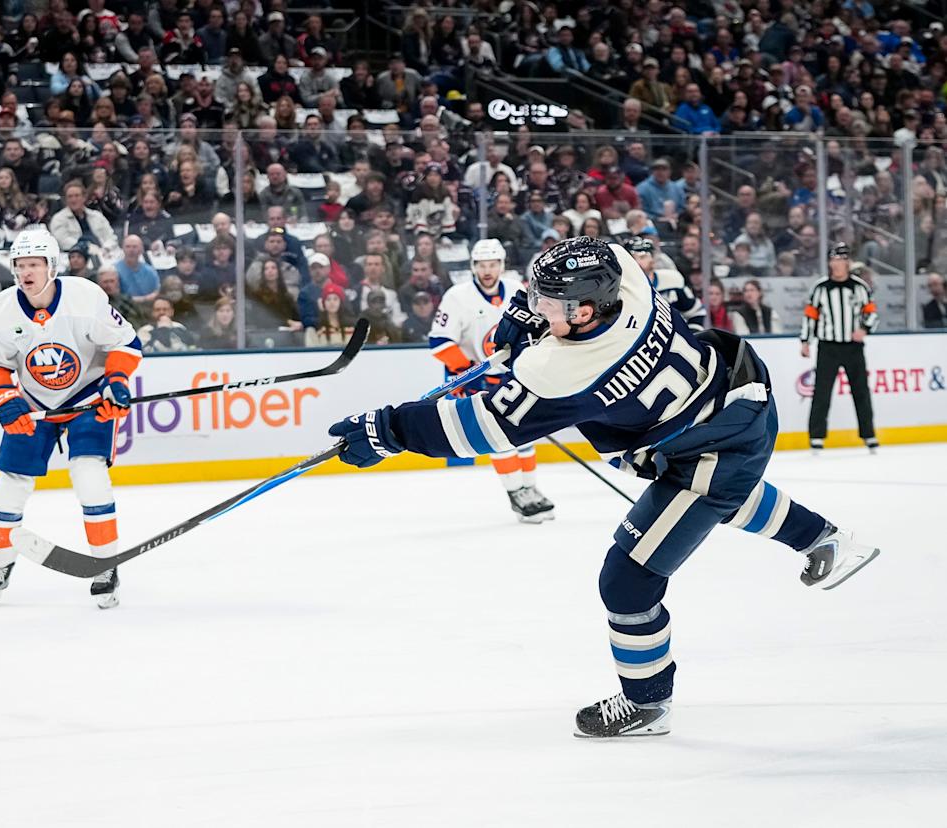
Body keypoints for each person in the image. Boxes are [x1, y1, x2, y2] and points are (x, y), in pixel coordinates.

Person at [327, 236, 881, 737]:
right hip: (737, 397)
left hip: (712, 448)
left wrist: (388, 430)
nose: (538, 306)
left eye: (549, 304)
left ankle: (648, 703)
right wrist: (524, 311)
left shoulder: (564, 372)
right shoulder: (626, 277)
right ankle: (826, 541)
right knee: (718, 501)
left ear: (584, 311)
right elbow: (579, 253)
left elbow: (479, 427)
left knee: (628, 579)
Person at [0, 229, 142, 608]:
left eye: (34, 264)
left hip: (87, 397)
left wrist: (115, 382)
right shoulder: (0, 309)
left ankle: (105, 565)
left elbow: (125, 344)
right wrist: (5, 398)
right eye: (19, 265)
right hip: (34, 402)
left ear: (53, 266)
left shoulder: (84, 297)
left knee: (89, 474)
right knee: (10, 483)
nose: (26, 272)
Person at [431, 238, 552, 522]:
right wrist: (469, 371)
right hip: (475, 379)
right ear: (473, 267)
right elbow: (438, 341)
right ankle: (516, 493)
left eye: (493, 264)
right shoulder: (457, 296)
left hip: (515, 375)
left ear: (502, 265)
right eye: (482, 265)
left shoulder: (516, 290)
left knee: (525, 433)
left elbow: (537, 328)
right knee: (498, 437)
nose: (487, 271)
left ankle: (531, 489)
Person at [801, 243, 880, 455]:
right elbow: (810, 316)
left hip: (853, 347)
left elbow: (872, 312)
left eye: (841, 259)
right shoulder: (820, 288)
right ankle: (816, 437)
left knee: (861, 391)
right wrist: (805, 341)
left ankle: (869, 435)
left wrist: (864, 329)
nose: (837, 264)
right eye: (833, 259)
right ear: (829, 262)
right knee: (822, 392)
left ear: (847, 262)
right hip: (828, 346)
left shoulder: (859, 287)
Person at [623, 237, 705, 331]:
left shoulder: (672, 280)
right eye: (632, 258)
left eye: (643, 257)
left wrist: (693, 335)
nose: (637, 262)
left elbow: (696, 312)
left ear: (653, 259)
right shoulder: (622, 288)